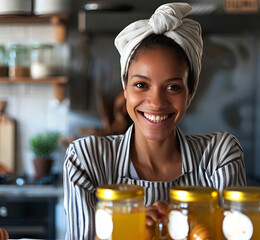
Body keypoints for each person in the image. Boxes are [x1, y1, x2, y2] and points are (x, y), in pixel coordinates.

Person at [63, 2, 246, 239]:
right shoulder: (87, 160)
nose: (157, 102)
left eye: (172, 87)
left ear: (189, 93)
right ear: (125, 90)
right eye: (141, 85)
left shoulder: (218, 156)